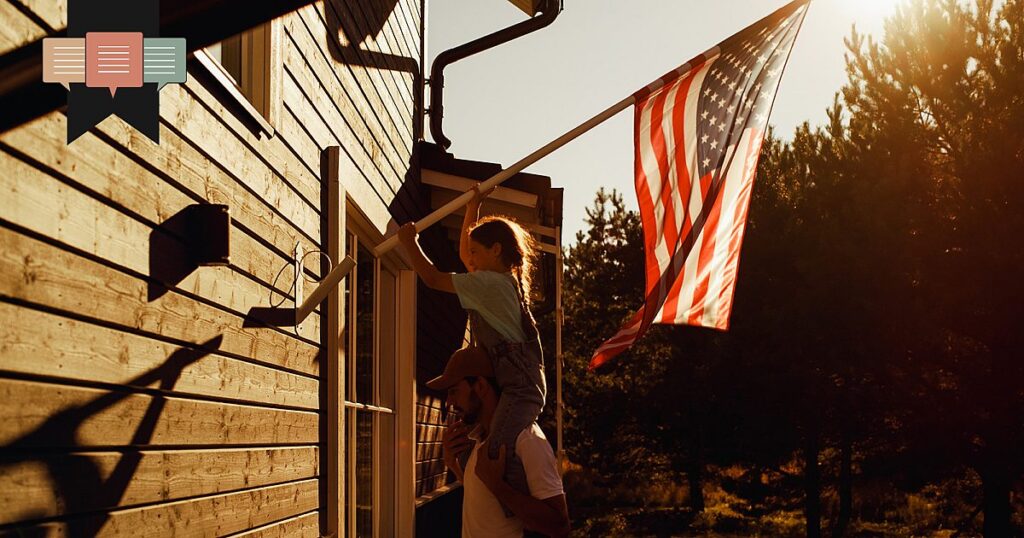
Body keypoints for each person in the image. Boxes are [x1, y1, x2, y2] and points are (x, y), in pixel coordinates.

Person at [397, 185, 547, 510]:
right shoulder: (502, 281)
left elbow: (433, 279)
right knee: (492, 444)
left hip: (520, 387)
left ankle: (512, 509)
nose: (470, 260)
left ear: (495, 250)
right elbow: (466, 255)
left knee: (498, 450)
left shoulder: (489, 284)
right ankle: (499, 501)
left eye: (477, 253)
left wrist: (409, 242)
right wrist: (473, 206)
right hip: (520, 381)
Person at [428, 347, 570, 537]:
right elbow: (482, 496)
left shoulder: (526, 438)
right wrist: (451, 463)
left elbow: (560, 525)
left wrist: (499, 486)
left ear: (480, 386)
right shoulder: (480, 438)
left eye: (454, 391)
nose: (448, 402)